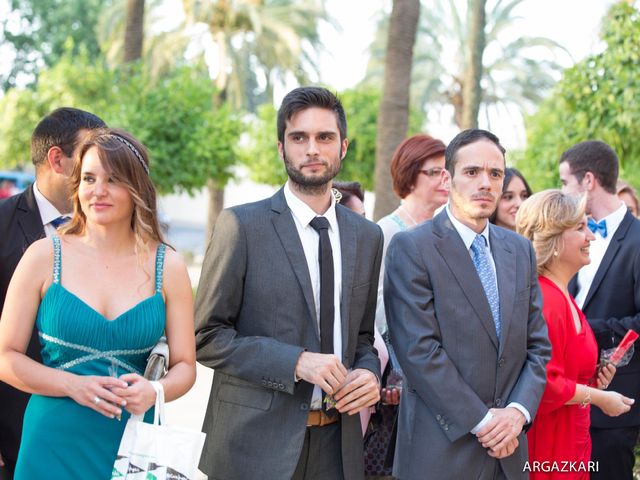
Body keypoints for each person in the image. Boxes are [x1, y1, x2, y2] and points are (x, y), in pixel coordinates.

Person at [194, 86, 383, 480]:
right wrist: (295, 362)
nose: (312, 149)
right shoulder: (241, 226)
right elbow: (206, 336)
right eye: (299, 137)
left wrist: (368, 373)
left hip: (338, 446)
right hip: (252, 448)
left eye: (324, 137)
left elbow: (363, 337)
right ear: (281, 148)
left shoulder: (367, 236)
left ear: (343, 146)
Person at [0, 128, 196, 478]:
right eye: (89, 178)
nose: (98, 191)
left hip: (132, 444)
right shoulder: (43, 256)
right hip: (51, 441)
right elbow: (5, 357)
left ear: (137, 188)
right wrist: (71, 385)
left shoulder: (168, 265)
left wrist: (155, 390)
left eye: (113, 179)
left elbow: (185, 366)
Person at [385, 128, 551, 480]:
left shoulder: (519, 250)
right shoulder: (412, 248)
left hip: (510, 452)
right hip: (442, 453)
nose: (486, 184)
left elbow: (537, 346)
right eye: (472, 172)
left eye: (495, 174)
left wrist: (517, 413)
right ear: (448, 178)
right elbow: (419, 352)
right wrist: (484, 421)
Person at [0, 107, 106, 479]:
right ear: (57, 159)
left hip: (99, 430)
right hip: (14, 431)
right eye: (89, 153)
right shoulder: (3, 225)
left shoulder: (112, 230)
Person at [516, 190, 633, 479]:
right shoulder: (547, 300)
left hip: (572, 441)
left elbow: (565, 377)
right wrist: (599, 398)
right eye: (580, 228)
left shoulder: (563, 296)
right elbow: (543, 385)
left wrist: (593, 377)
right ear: (554, 240)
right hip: (550, 446)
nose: (591, 236)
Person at [559, 140, 640, 480]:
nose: (562, 191)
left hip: (615, 401)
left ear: (588, 180)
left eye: (565, 182)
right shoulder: (570, 235)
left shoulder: (638, 239)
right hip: (566, 400)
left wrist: (583, 331)